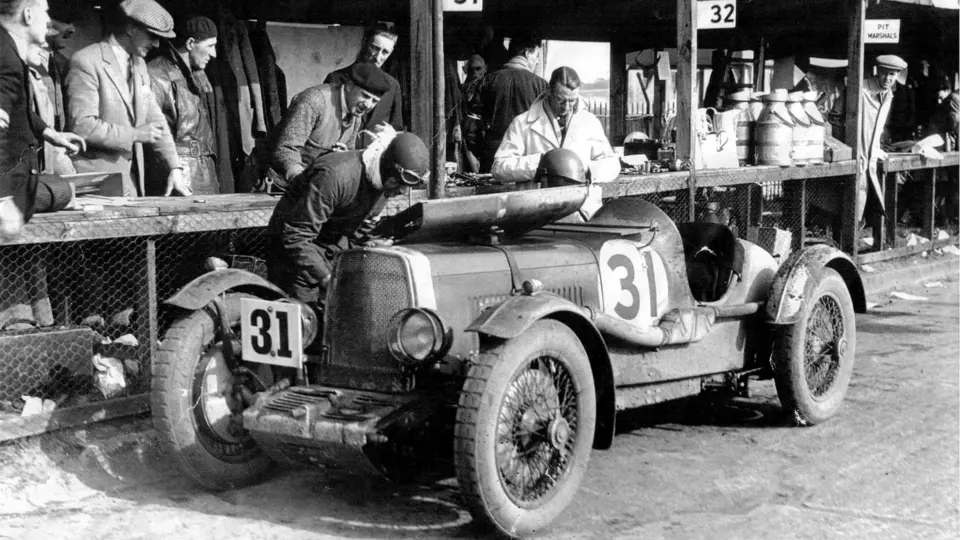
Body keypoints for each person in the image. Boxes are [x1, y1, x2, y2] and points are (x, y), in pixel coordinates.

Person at [266, 132, 429, 306]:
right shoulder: (334, 176)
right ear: (387, 169)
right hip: (294, 257)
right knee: (306, 324)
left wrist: (372, 244)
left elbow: (360, 232)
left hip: (328, 248)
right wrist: (327, 278)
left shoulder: (383, 183)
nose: (403, 192)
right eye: (400, 184)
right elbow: (296, 236)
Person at [65, 0, 189, 198]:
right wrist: (135, 134)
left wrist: (175, 168)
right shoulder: (86, 61)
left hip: (130, 183)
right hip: (95, 185)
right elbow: (83, 126)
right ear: (131, 29)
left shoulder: (139, 65)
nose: (157, 44)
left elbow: (156, 120)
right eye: (153, 36)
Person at [0, 0, 85, 240]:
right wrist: (3, 199)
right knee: (60, 191)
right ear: (28, 14)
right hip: (10, 190)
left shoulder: (9, 49)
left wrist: (50, 133)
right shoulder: (5, 56)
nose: (48, 20)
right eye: (45, 11)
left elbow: (16, 108)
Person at [265, 62, 392, 190]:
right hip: (277, 185)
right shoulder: (314, 101)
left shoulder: (356, 112)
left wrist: (343, 156)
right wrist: (302, 182)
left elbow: (348, 152)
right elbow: (285, 149)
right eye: (365, 96)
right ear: (348, 86)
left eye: (374, 101)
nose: (368, 105)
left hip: (312, 188)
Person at [493, 66, 619, 187]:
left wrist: (586, 170)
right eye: (560, 100)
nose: (566, 107)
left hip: (581, 204)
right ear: (549, 92)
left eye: (572, 101)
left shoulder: (589, 121)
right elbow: (499, 167)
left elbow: (612, 163)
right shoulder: (522, 123)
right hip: (540, 204)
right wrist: (541, 163)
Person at [147, 15, 220, 195]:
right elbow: (154, 135)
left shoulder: (195, 76)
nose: (214, 54)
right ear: (190, 43)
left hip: (202, 172)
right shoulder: (156, 75)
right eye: (210, 46)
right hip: (178, 175)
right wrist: (173, 168)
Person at [829, 54, 906, 222]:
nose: (887, 78)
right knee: (848, 201)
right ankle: (845, 242)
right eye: (884, 73)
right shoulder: (858, 90)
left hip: (870, 157)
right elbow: (834, 117)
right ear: (877, 71)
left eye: (892, 74)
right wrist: (846, 147)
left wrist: (876, 148)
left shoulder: (888, 95)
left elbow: (876, 126)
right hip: (853, 155)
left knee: (867, 200)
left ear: (897, 76)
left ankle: (856, 239)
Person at [473, 29, 548, 173]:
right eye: (536, 55)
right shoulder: (541, 85)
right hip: (525, 156)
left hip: (492, 154)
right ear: (527, 54)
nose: (537, 61)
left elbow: (475, 122)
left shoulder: (487, 81)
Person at [324, 24, 403, 145]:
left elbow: (396, 129)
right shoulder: (335, 78)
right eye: (375, 48)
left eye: (385, 52)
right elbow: (325, 124)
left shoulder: (393, 86)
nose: (378, 57)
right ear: (364, 43)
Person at [460, 53, 486, 172]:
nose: (475, 72)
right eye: (472, 69)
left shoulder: (489, 86)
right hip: (468, 130)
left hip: (483, 129)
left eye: (478, 69)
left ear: (485, 68)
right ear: (466, 70)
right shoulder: (462, 88)